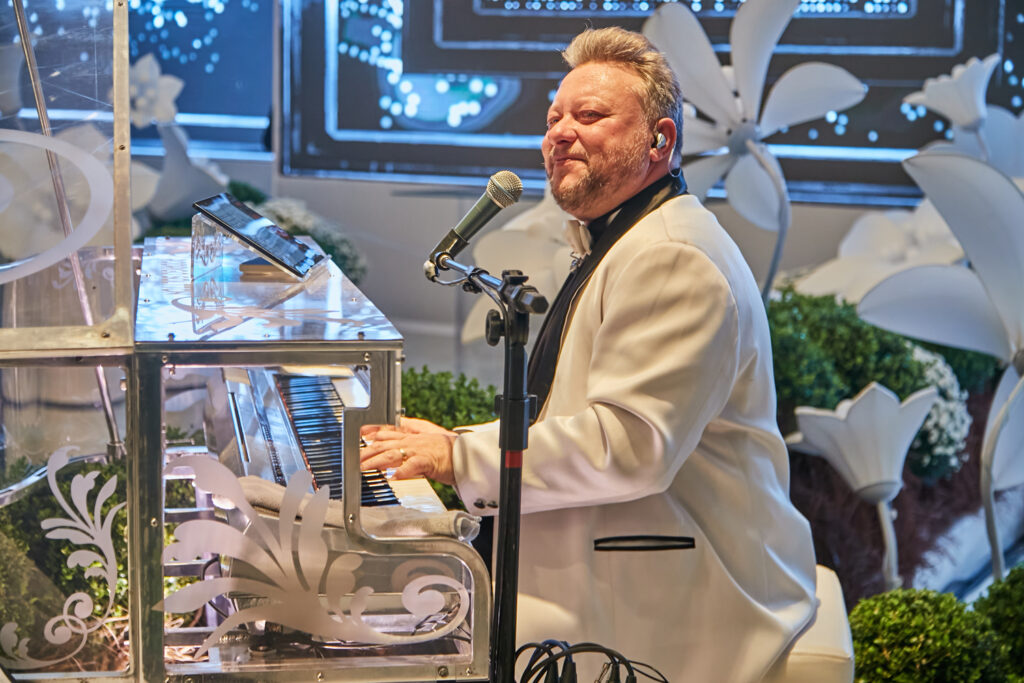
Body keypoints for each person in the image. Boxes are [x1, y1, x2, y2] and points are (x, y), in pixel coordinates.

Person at [361, 26, 817, 682]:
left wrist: (458, 457)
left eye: (591, 115)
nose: (560, 133)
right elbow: (573, 418)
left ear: (659, 140)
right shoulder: (624, 238)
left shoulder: (673, 256)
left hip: (684, 600)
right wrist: (455, 444)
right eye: (554, 119)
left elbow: (628, 446)